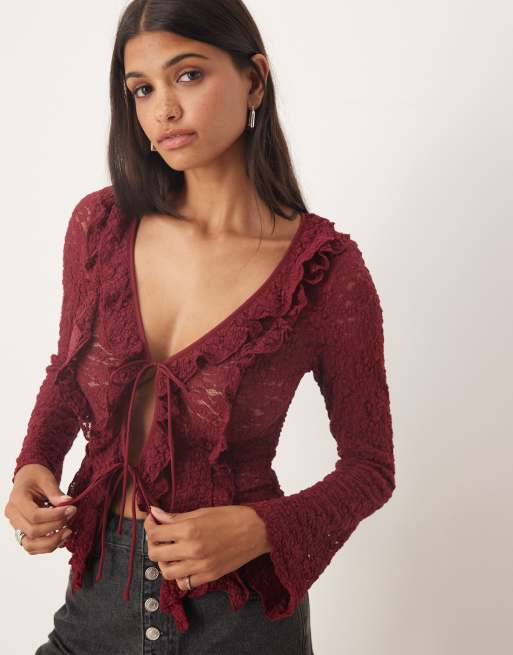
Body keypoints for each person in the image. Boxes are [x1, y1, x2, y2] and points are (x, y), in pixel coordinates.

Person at [5, 1, 396, 653]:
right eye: (141, 89)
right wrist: (33, 464)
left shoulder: (324, 270)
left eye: (188, 75)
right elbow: (68, 372)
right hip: (97, 602)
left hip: (239, 614)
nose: (163, 109)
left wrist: (261, 527)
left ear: (254, 80)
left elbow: (369, 467)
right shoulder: (100, 226)